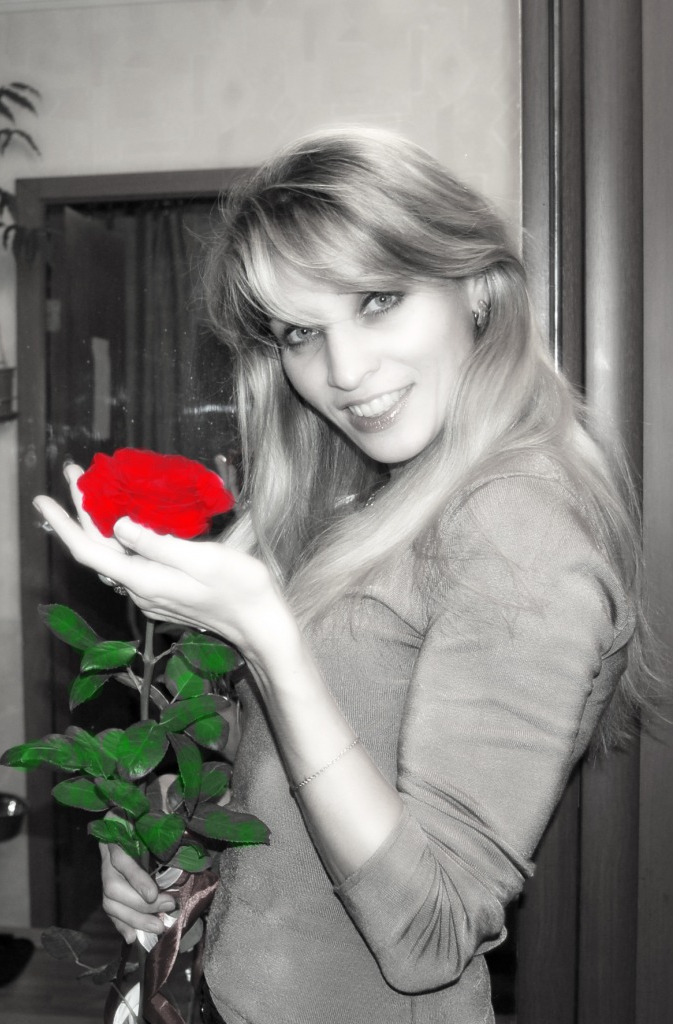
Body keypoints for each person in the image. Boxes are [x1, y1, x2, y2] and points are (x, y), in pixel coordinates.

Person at [35, 126, 652, 1024]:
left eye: (377, 300)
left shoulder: (519, 523)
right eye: (300, 332)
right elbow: (296, 768)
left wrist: (267, 637)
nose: (344, 373)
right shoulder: (390, 491)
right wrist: (161, 828)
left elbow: (431, 936)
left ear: (477, 286)